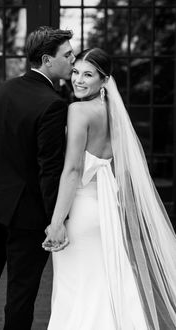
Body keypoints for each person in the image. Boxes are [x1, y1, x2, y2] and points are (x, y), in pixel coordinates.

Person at [43, 48, 176, 329]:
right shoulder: (113, 113)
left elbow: (73, 170)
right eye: (76, 72)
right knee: (104, 285)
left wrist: (56, 223)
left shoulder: (77, 110)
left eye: (88, 75)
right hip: (105, 211)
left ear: (104, 81)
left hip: (79, 212)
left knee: (76, 291)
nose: (78, 80)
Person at [0, 26, 75, 330]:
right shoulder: (53, 104)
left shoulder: (3, 90)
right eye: (68, 54)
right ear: (47, 60)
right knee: (21, 293)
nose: (74, 60)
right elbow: (48, 170)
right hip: (27, 213)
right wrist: (57, 219)